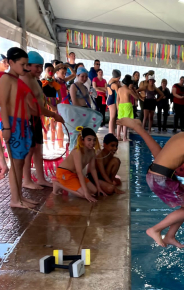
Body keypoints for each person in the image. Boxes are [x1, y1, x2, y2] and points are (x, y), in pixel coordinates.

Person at [118, 110, 184, 248]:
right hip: (160, 178)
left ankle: (170, 236)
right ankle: (155, 230)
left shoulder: (181, 136)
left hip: (157, 176)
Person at [117, 118, 184, 190]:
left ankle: (138, 127)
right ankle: (137, 127)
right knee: (158, 154)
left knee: (158, 153)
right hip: (179, 166)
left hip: (181, 165)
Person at [20, 51, 64, 190]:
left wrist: (51, 110)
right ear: (27, 65)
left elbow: (41, 102)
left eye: (41, 66)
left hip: (36, 118)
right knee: (29, 150)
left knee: (39, 148)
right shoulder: (25, 79)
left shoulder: (36, 80)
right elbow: (34, 106)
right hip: (27, 120)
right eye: (36, 66)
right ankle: (26, 180)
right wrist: (53, 115)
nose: (39, 69)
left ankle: (40, 178)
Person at [0, 48, 38, 208]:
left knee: (20, 163)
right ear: (10, 62)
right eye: (22, 64)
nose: (26, 67)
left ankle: (20, 197)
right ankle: (15, 200)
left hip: (22, 125)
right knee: (15, 164)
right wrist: (7, 128)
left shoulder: (18, 80)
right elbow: (3, 104)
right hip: (13, 125)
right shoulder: (6, 79)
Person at [53, 127, 106, 202]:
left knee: (94, 191)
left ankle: (80, 189)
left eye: (94, 140)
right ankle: (58, 184)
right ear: (82, 140)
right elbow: (79, 172)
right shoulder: (78, 151)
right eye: (89, 139)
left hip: (75, 175)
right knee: (84, 195)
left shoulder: (92, 152)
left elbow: (93, 169)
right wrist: (86, 192)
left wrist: (98, 187)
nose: (92, 142)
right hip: (64, 173)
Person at [117, 75, 139, 141]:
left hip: (120, 105)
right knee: (125, 122)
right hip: (127, 106)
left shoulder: (119, 89)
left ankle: (118, 136)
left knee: (120, 121)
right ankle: (124, 138)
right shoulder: (129, 90)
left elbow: (117, 99)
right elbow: (136, 97)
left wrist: (118, 107)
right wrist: (133, 90)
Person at [107, 69, 121, 136]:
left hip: (110, 100)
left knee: (113, 117)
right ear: (118, 77)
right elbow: (119, 93)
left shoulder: (110, 81)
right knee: (112, 117)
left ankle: (112, 132)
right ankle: (110, 132)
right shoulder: (114, 85)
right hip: (112, 101)